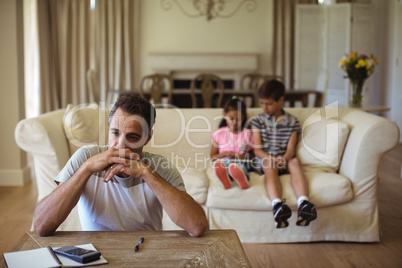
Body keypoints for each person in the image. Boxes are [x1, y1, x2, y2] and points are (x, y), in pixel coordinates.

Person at [33, 94, 208, 237]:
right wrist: (86, 169)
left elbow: (197, 227)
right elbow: (42, 226)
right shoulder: (86, 158)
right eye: (115, 133)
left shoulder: (160, 167)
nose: (120, 145)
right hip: (95, 255)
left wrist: (147, 174)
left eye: (132, 137)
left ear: (147, 138)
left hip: (146, 254)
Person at [250, 80, 317, 228]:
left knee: (295, 162)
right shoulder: (257, 121)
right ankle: (277, 206)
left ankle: (304, 204)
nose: (264, 107)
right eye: (262, 103)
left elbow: (291, 150)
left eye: (269, 103)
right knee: (269, 164)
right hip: (265, 159)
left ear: (280, 100)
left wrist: (285, 159)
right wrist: (273, 159)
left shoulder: (293, 121)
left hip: (284, 159)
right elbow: (257, 150)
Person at [210, 97, 253, 190]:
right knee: (220, 164)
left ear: (243, 117)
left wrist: (243, 156)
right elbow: (213, 157)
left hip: (240, 162)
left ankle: (242, 178)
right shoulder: (219, 134)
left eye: (238, 119)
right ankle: (226, 180)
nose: (234, 122)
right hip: (224, 161)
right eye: (231, 118)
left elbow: (253, 153)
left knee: (238, 166)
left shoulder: (247, 133)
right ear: (225, 115)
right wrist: (225, 154)